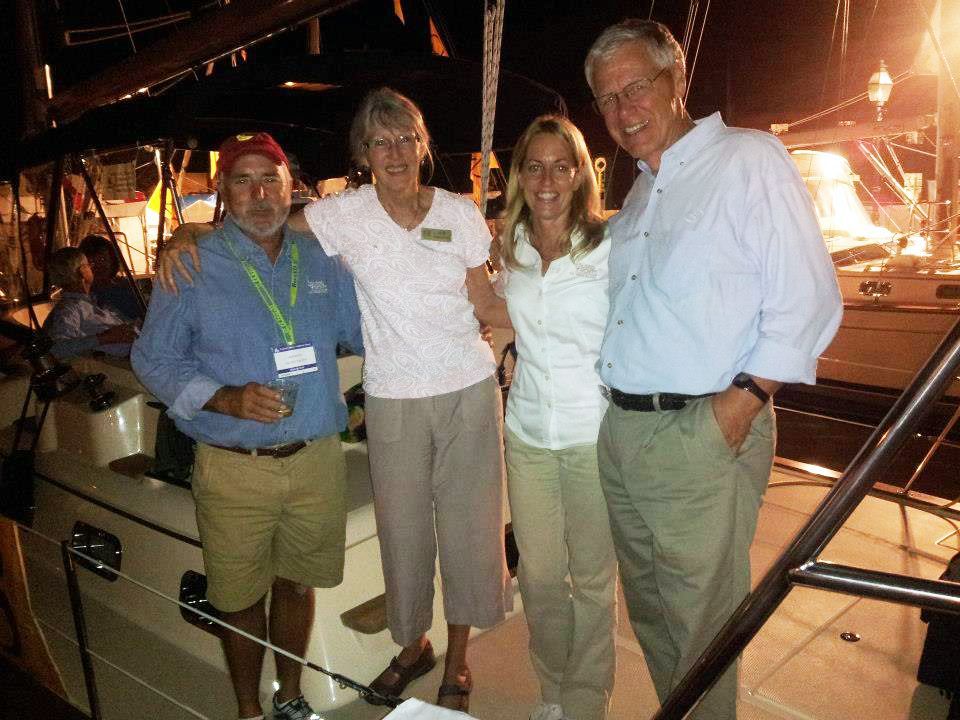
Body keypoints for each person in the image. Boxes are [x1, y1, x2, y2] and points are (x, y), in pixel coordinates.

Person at [157, 88, 512, 712]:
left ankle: (458, 659)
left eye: (405, 137)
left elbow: (483, 303)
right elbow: (250, 224)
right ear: (363, 154)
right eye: (380, 141)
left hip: (463, 390)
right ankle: (410, 648)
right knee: (402, 535)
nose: (394, 151)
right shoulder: (338, 216)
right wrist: (185, 231)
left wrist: (562, 318)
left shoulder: (456, 213)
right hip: (393, 396)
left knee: (469, 531)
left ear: (423, 144)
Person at [583, 19, 843, 720]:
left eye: (636, 87)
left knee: (703, 629)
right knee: (655, 621)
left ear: (677, 81)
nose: (623, 109)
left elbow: (808, 296)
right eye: (607, 99)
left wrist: (742, 405)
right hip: (626, 434)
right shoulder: (639, 193)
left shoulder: (747, 159)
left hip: (700, 431)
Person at [132, 131, 364, 720]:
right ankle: (246, 711)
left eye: (272, 179)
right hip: (235, 468)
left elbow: (368, 333)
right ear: (223, 191)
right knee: (238, 600)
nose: (260, 194)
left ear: (293, 188)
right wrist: (224, 398)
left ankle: (290, 697)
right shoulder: (192, 261)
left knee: (296, 585)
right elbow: (152, 359)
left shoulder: (323, 259)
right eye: (243, 180)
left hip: (315, 458)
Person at [467, 115, 618, 720]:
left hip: (593, 434)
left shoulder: (611, 244)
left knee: (593, 579)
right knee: (539, 577)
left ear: (580, 172)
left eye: (562, 165)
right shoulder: (514, 246)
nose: (548, 178)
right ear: (521, 176)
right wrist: (460, 249)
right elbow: (494, 308)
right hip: (527, 433)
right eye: (535, 166)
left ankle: (586, 702)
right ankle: (552, 689)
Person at [43, 246, 138, 359]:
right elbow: (56, 349)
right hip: (125, 364)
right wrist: (105, 338)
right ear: (82, 271)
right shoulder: (69, 309)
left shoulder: (90, 301)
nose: (92, 267)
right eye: (88, 264)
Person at [78, 233, 143, 320]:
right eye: (91, 261)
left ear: (112, 260)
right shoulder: (82, 295)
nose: (99, 266)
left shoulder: (126, 286)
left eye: (103, 259)